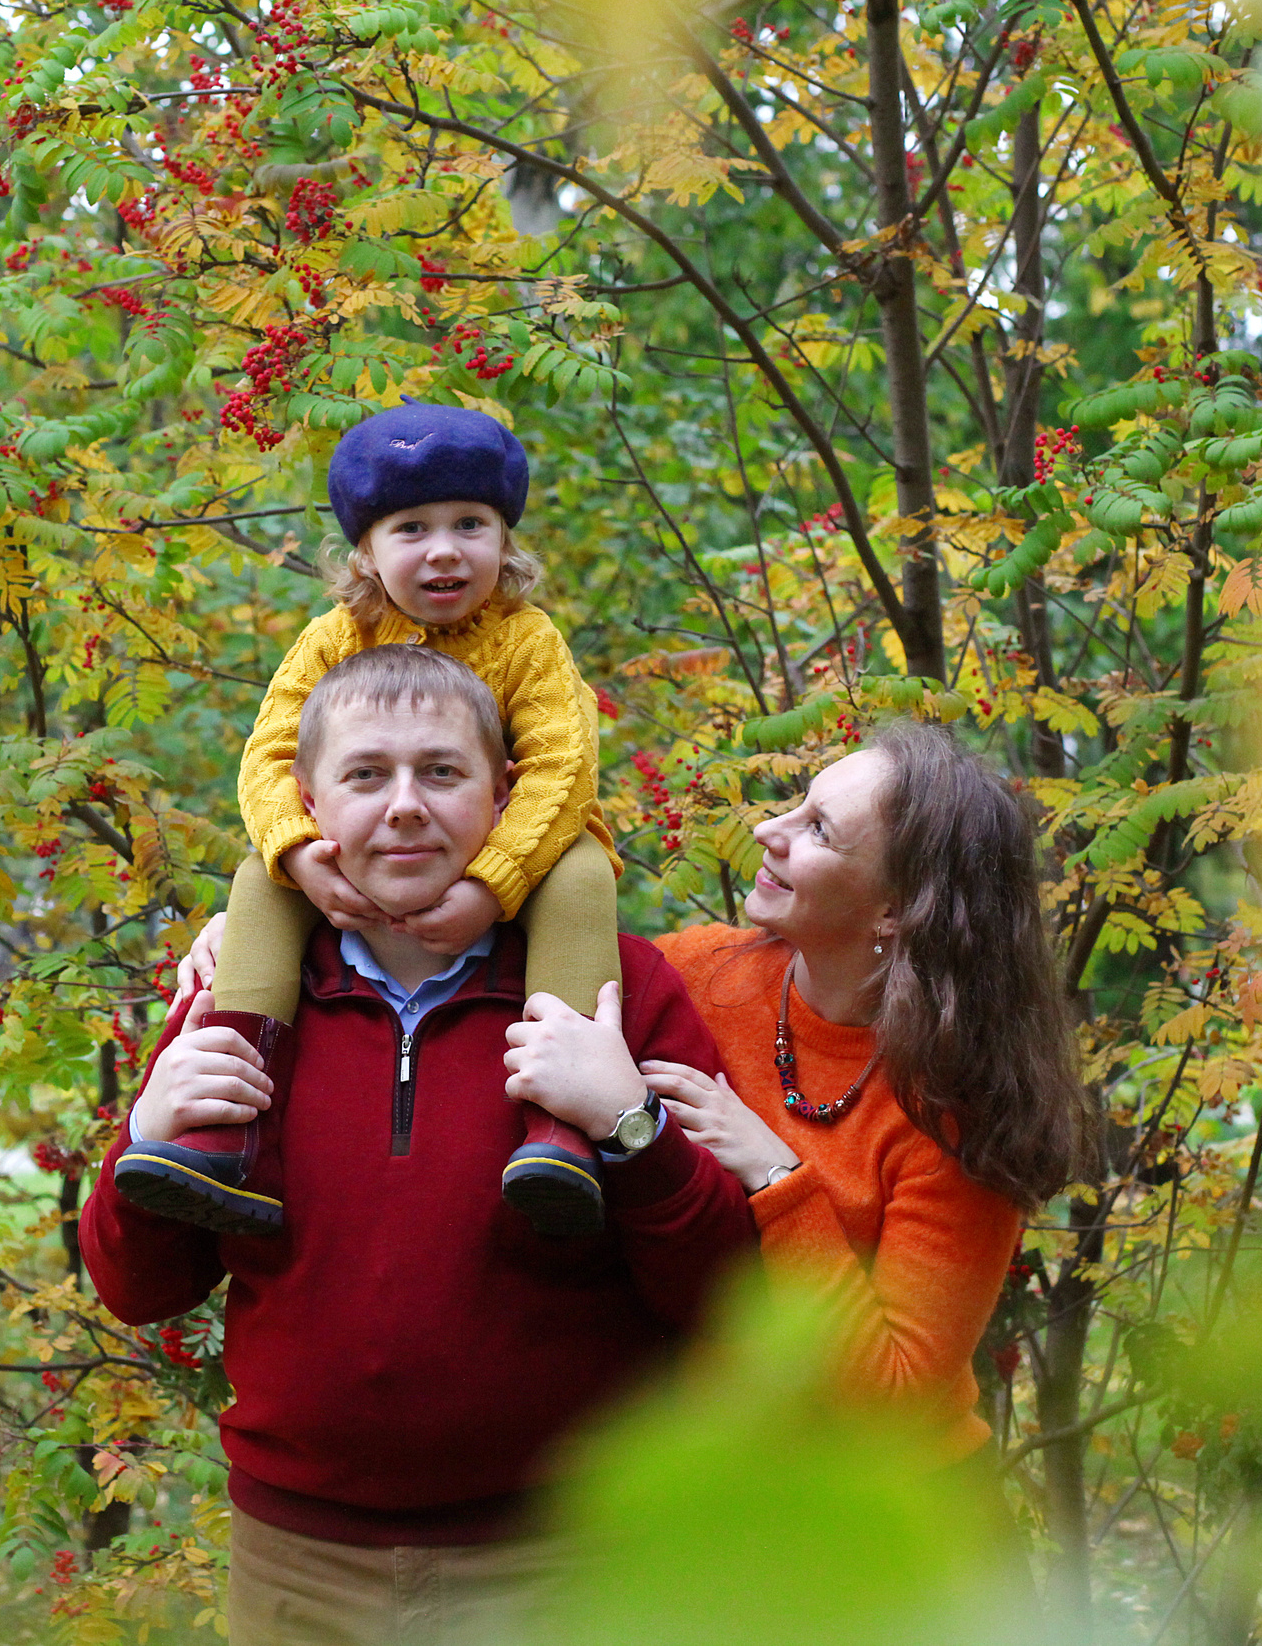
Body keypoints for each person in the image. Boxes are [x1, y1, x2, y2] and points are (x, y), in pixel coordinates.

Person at [81, 645, 753, 1646]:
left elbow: (723, 1301)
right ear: (305, 802)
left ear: (504, 797)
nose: (403, 807)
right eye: (365, 775)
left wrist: (627, 1126)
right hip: (298, 1563)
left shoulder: (619, 992)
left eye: (441, 772)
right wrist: (146, 1132)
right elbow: (138, 1289)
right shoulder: (240, 996)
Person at [113, 401, 624, 1240]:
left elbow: (561, 773)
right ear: (367, 552)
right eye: (412, 529)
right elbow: (272, 754)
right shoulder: (334, 638)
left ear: (506, 541)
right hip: (361, 855)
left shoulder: (528, 641)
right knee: (258, 880)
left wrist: (493, 887)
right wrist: (298, 851)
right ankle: (231, 1130)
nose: (446, 549)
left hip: (520, 854)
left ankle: (560, 1130)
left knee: (583, 875)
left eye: (472, 524)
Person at [638, 723, 1089, 1464]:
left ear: (895, 908)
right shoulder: (698, 972)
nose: (766, 828)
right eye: (796, 804)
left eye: (817, 828)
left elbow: (896, 1395)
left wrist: (776, 1174)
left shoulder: (953, 1109)